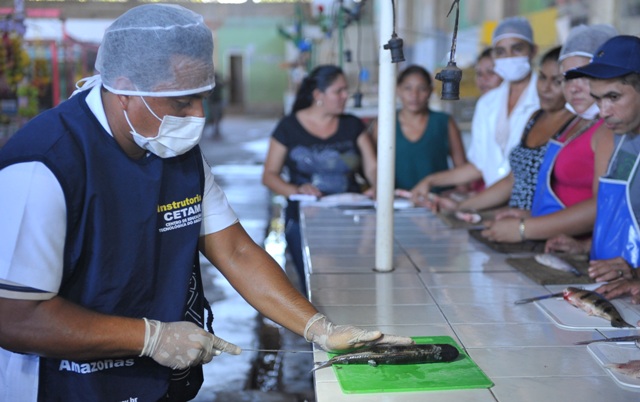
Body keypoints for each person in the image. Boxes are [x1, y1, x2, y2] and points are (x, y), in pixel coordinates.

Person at [0, 6, 411, 401]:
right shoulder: (44, 164)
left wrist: (318, 328)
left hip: (155, 381)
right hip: (65, 387)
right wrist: (151, 337)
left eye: (202, 97)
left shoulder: (175, 151)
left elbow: (234, 250)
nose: (197, 116)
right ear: (124, 89)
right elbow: (15, 317)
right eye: (181, 102)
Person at [480, 24, 617, 243]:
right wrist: (532, 216)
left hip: (590, 247)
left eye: (585, 75)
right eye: (568, 78)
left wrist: (526, 228)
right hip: (560, 239)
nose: (573, 88)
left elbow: (601, 205)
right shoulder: (575, 125)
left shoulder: (608, 131)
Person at [261, 64, 377, 293]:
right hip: (306, 219)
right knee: (317, 286)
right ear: (318, 95)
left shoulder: (352, 125)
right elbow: (269, 175)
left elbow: (372, 166)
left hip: (351, 220)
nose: (345, 96)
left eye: (346, 90)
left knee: (350, 284)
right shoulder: (289, 127)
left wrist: (376, 186)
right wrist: (296, 189)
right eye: (339, 91)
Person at [428, 46, 573, 214]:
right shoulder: (535, 118)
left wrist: (525, 226)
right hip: (509, 215)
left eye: (557, 81)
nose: (546, 87)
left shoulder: (576, 126)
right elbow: (512, 179)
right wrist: (461, 207)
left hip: (535, 223)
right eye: (542, 77)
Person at [411, 16, 540, 203]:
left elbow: (522, 174)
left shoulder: (545, 100)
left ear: (533, 51)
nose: (509, 57)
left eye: (517, 49)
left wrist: (465, 206)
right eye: (501, 52)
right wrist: (431, 180)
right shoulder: (488, 104)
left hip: (529, 206)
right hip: (492, 204)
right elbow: (479, 165)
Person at [547, 35, 640, 289]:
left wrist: (636, 272)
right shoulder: (623, 139)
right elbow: (619, 217)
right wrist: (585, 246)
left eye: (613, 97)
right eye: (598, 98)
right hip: (606, 283)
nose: (603, 111)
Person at [369, 64, 467, 193]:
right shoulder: (384, 124)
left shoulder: (444, 122)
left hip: (437, 202)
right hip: (397, 202)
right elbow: (374, 167)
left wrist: (459, 201)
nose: (414, 95)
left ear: (430, 91)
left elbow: (462, 169)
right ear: (398, 90)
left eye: (421, 89)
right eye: (407, 88)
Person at [206, 72, 225, 139]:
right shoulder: (215, 84)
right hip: (215, 103)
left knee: (216, 117)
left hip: (215, 103)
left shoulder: (212, 85)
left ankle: (215, 131)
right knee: (216, 118)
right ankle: (215, 131)